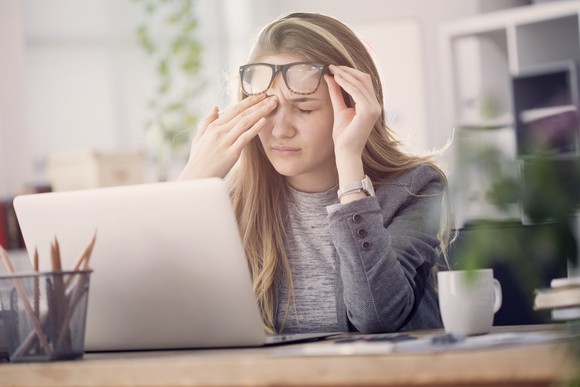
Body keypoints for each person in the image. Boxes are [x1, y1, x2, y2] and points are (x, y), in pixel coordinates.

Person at [178, 12, 454, 334]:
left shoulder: (415, 188)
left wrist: (350, 165)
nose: (280, 130)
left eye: (305, 108)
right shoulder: (234, 201)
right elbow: (167, 316)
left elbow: (377, 317)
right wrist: (190, 188)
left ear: (352, 109)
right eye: (268, 107)